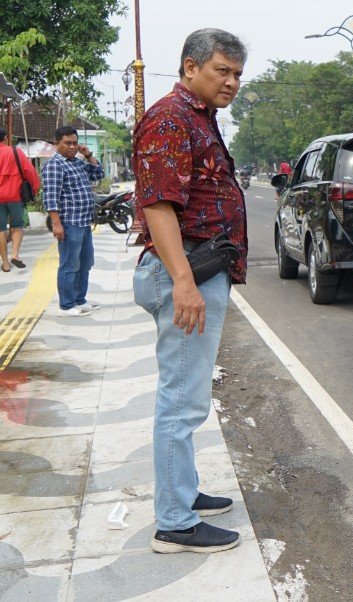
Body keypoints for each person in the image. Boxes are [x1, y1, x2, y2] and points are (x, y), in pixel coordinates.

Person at [132, 28, 248, 554]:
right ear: (189, 68)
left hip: (199, 268)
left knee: (189, 396)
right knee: (180, 400)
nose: (232, 82)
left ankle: (183, 493)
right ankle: (174, 524)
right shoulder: (170, 118)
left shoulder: (198, 118)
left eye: (237, 74)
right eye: (222, 71)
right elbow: (158, 205)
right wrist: (184, 283)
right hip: (186, 272)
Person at [41, 127, 103, 314]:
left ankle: (79, 299)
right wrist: (56, 224)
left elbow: (98, 175)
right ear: (56, 144)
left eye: (75, 143)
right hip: (69, 223)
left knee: (85, 263)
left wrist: (88, 155)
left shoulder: (76, 163)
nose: (72, 147)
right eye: (67, 143)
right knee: (69, 264)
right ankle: (66, 305)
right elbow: (51, 197)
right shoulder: (55, 165)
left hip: (84, 222)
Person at [0, 128, 40, 272]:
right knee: (17, 225)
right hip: (16, 196)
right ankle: (15, 254)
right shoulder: (15, 152)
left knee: (0, 229)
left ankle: (5, 263)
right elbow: (30, 172)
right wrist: (34, 190)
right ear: (5, 137)